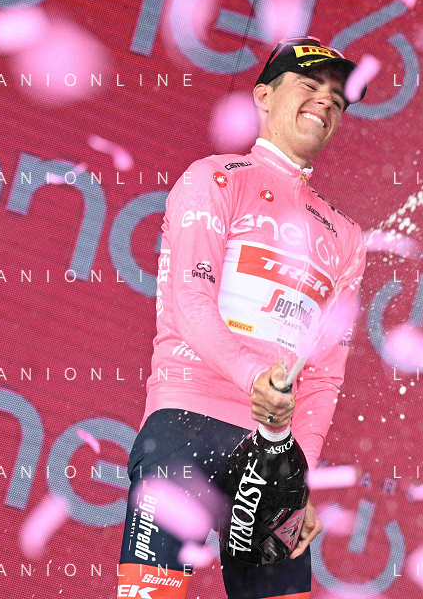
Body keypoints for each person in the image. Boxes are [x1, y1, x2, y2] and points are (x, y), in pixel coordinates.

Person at [117, 36, 369, 599]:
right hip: (186, 424)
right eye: (309, 85)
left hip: (275, 453)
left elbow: (325, 373)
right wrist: (256, 379)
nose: (326, 102)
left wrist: (300, 475)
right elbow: (191, 303)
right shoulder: (214, 178)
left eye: (337, 98)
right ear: (263, 96)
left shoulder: (347, 238)